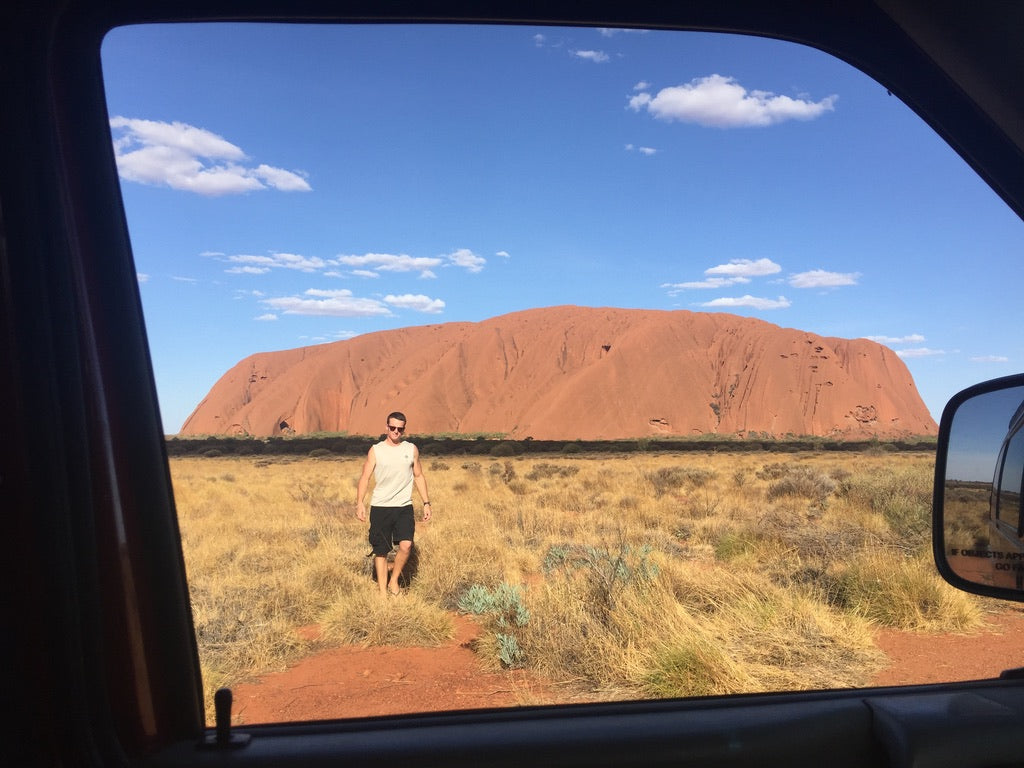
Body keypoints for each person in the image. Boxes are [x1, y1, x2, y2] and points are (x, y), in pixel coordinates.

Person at [355, 411, 431, 596]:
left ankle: (394, 580)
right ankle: (382, 592)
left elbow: (419, 475)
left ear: (404, 429)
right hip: (381, 506)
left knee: (406, 545)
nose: (396, 431)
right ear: (386, 427)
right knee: (381, 551)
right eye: (393, 427)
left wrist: (426, 503)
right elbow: (365, 477)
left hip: (403, 506)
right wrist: (359, 503)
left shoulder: (411, 449)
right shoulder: (376, 450)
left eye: (400, 428)